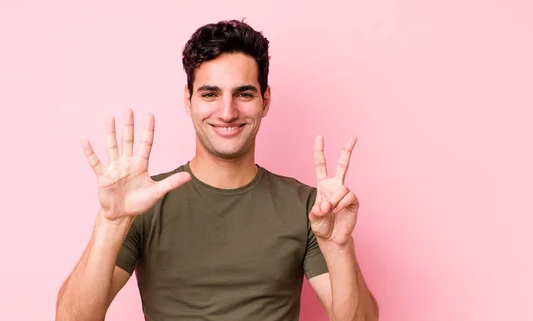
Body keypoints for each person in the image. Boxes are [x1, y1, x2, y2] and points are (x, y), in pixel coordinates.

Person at [55, 19, 379, 321]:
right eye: (211, 94)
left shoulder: (309, 208)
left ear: (265, 100)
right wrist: (110, 222)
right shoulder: (144, 203)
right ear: (189, 99)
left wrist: (339, 247)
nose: (227, 112)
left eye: (244, 93)